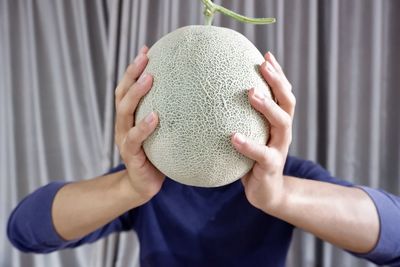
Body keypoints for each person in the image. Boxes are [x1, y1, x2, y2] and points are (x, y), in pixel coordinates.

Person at [7, 46, 400, 267]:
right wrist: (129, 188)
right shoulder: (148, 180)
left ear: (262, 107)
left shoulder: (284, 177)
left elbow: (395, 236)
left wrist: (280, 197)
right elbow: (24, 230)